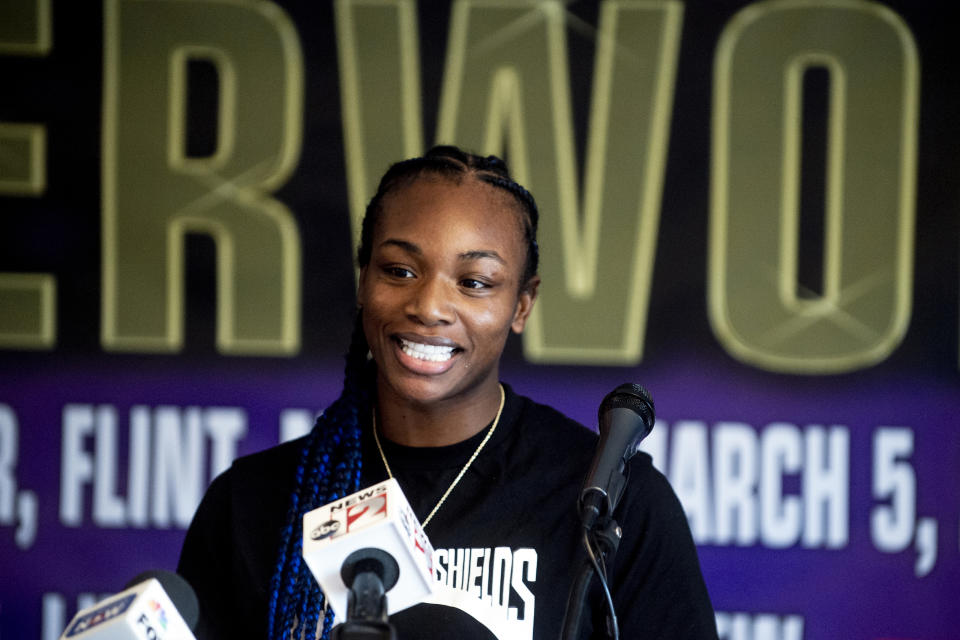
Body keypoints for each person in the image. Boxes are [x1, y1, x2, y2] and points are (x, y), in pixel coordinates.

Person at [177, 146, 718, 640]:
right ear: (364, 280)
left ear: (522, 304)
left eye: (475, 282)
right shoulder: (253, 505)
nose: (429, 306)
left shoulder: (608, 505)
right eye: (400, 270)